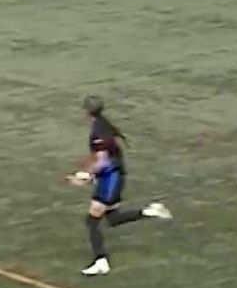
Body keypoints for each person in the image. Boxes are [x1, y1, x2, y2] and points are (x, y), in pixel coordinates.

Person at [68, 96, 171, 277]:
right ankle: (150, 211)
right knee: (113, 218)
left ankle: (101, 261)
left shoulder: (98, 131)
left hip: (111, 179)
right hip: (114, 176)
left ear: (86, 112)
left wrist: (86, 175)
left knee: (92, 221)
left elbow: (102, 162)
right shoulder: (103, 125)